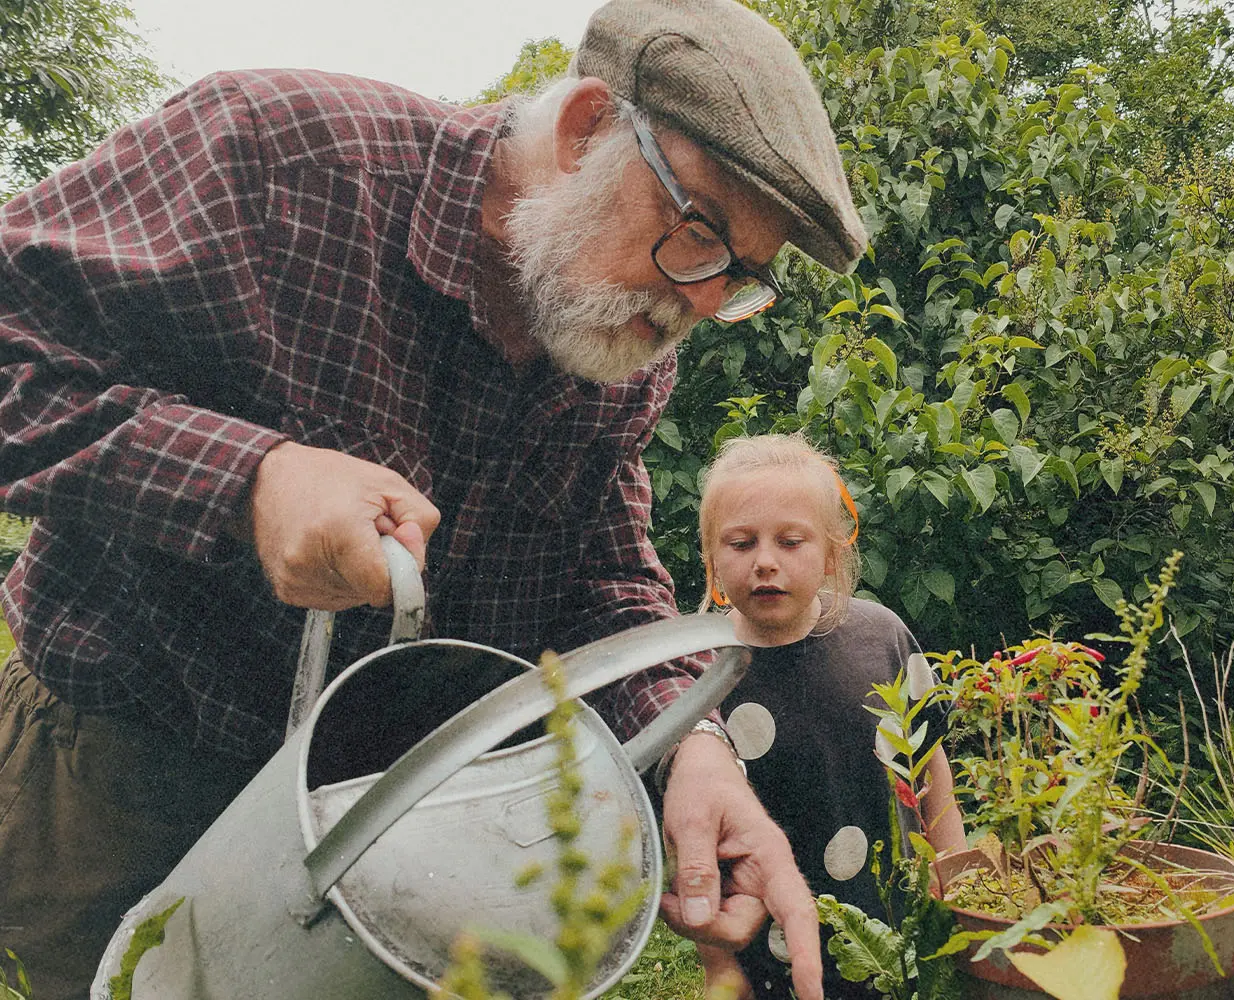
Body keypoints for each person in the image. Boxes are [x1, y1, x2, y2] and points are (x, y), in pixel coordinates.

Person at [0, 0, 871, 995]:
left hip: (384, 827)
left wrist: (695, 749)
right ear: (587, 128)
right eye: (702, 232)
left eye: (743, 275)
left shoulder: (620, 352)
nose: (707, 300)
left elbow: (604, 579)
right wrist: (249, 480)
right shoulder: (280, 159)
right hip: (110, 785)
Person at [691, 434, 966, 999]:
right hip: (768, 954)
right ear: (711, 560)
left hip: (900, 928)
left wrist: (956, 876)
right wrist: (719, 967)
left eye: (791, 541)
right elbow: (698, 842)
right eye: (741, 543)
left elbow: (931, 770)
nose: (765, 561)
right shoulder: (698, 671)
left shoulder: (881, 637)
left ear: (832, 555)